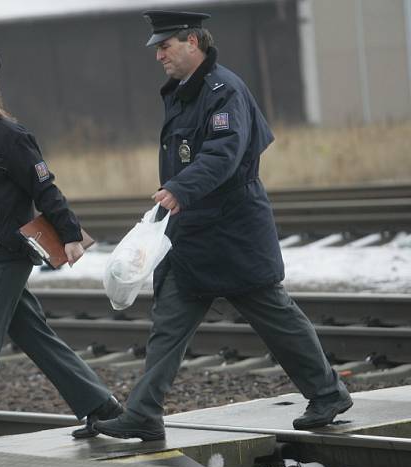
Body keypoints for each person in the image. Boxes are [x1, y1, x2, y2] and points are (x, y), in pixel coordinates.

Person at [94, 11, 352, 441]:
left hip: (233, 232)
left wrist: (179, 188)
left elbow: (223, 154)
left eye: (166, 45)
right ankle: (143, 412)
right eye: (157, 46)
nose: (159, 54)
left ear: (193, 42)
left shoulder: (223, 90)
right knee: (168, 324)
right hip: (193, 234)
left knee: (275, 316)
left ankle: (327, 392)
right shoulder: (184, 91)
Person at [0, 45, 122, 448]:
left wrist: (70, 234)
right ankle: (102, 408)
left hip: (7, 254)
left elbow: (44, 188)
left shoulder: (10, 136)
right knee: (35, 336)